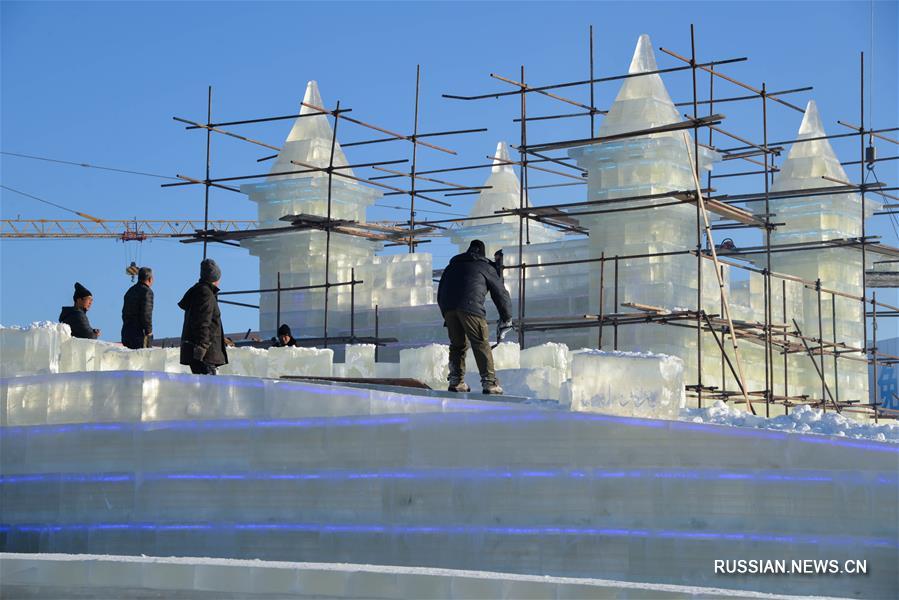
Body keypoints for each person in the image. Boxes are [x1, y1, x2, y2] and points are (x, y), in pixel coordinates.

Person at [437, 239, 513, 394]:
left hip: (448, 307)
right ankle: (489, 383)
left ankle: (456, 381)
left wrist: (447, 314)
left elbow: (440, 292)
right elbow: (501, 294)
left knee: (457, 345)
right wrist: (507, 318)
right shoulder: (484, 266)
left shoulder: (451, 266)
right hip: (471, 308)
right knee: (480, 343)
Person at [178, 258, 228, 375]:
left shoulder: (198, 291)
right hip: (205, 355)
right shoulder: (205, 293)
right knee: (209, 390)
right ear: (215, 277)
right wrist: (202, 348)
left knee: (205, 390)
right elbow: (202, 323)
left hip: (200, 353)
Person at [121, 266, 154, 349]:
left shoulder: (130, 291)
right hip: (140, 336)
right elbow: (146, 314)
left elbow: (124, 313)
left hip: (126, 333)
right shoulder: (147, 292)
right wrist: (149, 332)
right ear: (150, 279)